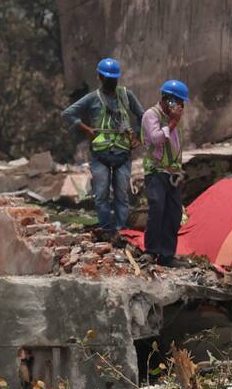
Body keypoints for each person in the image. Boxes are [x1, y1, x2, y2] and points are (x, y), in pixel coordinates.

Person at [61, 57, 145, 237]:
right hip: (100, 155)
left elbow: (142, 116)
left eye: (113, 78)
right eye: (108, 78)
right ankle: (107, 229)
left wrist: (137, 136)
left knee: (122, 194)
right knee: (101, 194)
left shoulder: (126, 95)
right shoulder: (92, 98)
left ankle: (122, 231)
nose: (111, 81)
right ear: (99, 77)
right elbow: (68, 113)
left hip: (123, 153)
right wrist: (86, 128)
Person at [142, 79, 188, 266]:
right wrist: (172, 124)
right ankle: (151, 252)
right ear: (168, 100)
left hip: (172, 174)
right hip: (156, 172)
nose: (181, 107)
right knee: (157, 210)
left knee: (173, 214)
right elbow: (155, 138)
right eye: (179, 103)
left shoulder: (173, 121)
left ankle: (167, 255)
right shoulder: (151, 115)